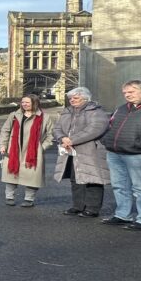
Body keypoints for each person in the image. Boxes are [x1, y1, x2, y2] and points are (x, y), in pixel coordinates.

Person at [52, 87, 110, 218]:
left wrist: (72, 140)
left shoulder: (96, 112)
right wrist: (62, 138)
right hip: (70, 151)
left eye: (75, 98)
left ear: (85, 98)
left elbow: (95, 129)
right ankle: (78, 206)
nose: (72, 100)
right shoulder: (66, 112)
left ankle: (92, 208)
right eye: (70, 98)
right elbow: (57, 128)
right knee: (75, 179)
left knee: (93, 179)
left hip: (90, 151)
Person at [0, 94, 55, 207]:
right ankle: (9, 196)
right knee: (11, 174)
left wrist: (41, 147)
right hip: (14, 149)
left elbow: (51, 135)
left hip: (33, 152)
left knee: (32, 176)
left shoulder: (45, 117)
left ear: (35, 103)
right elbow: (5, 131)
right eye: (23, 102)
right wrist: (3, 145)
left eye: (27, 102)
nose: (24, 104)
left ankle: (29, 199)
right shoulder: (14, 115)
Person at [100, 80, 141, 230]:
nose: (127, 95)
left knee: (139, 188)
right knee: (119, 186)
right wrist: (106, 140)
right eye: (125, 93)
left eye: (131, 92)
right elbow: (109, 125)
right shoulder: (121, 109)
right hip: (115, 153)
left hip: (136, 154)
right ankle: (123, 215)